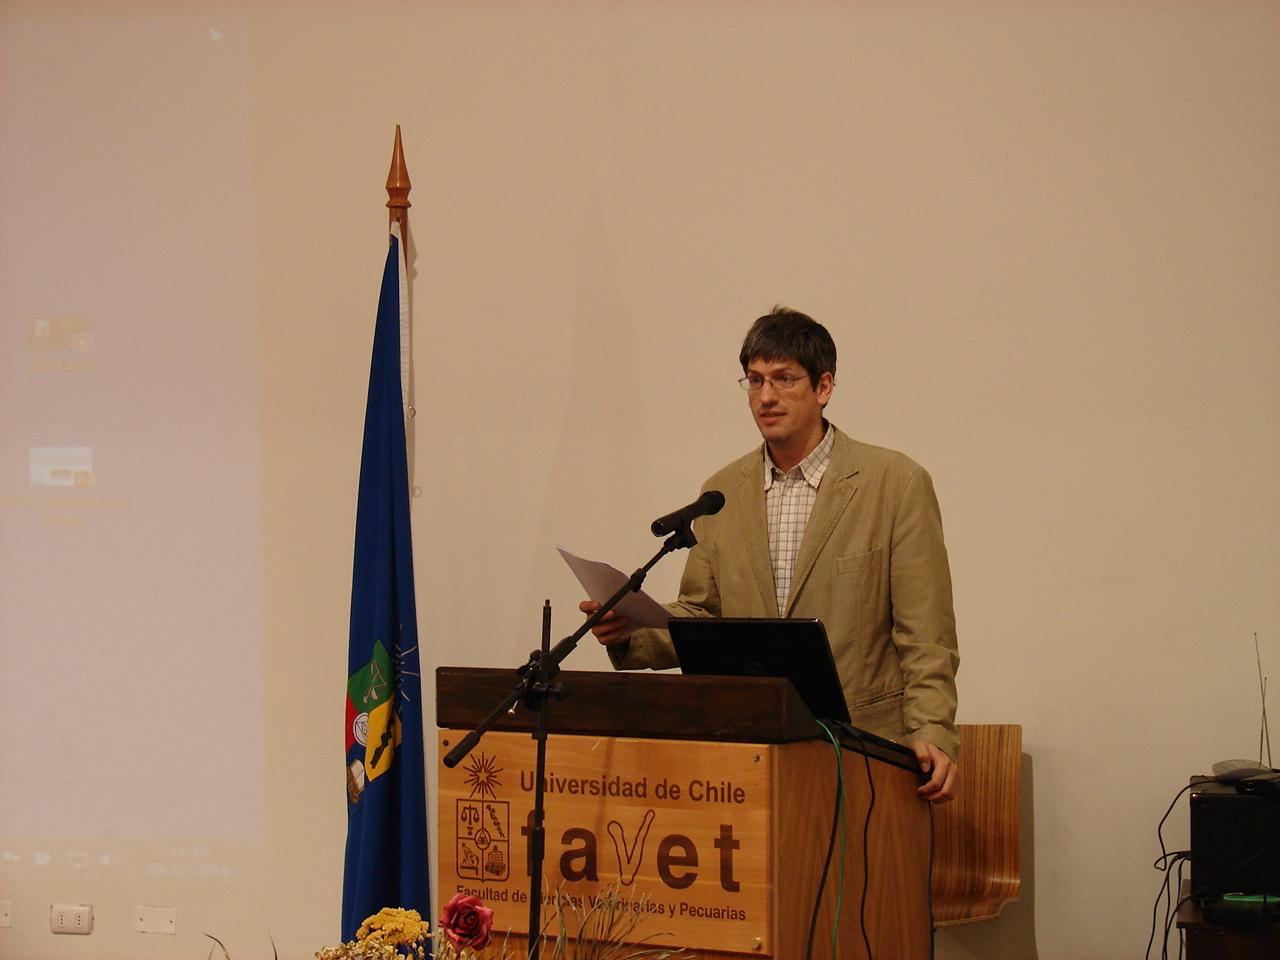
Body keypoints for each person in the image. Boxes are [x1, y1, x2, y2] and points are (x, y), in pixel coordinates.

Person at [581, 307, 960, 802]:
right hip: (749, 747)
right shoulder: (722, 492)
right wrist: (634, 628)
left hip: (863, 748)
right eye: (755, 380)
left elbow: (925, 633)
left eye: (784, 379)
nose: (765, 396)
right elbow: (703, 615)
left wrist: (931, 727)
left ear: (824, 387)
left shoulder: (895, 484)